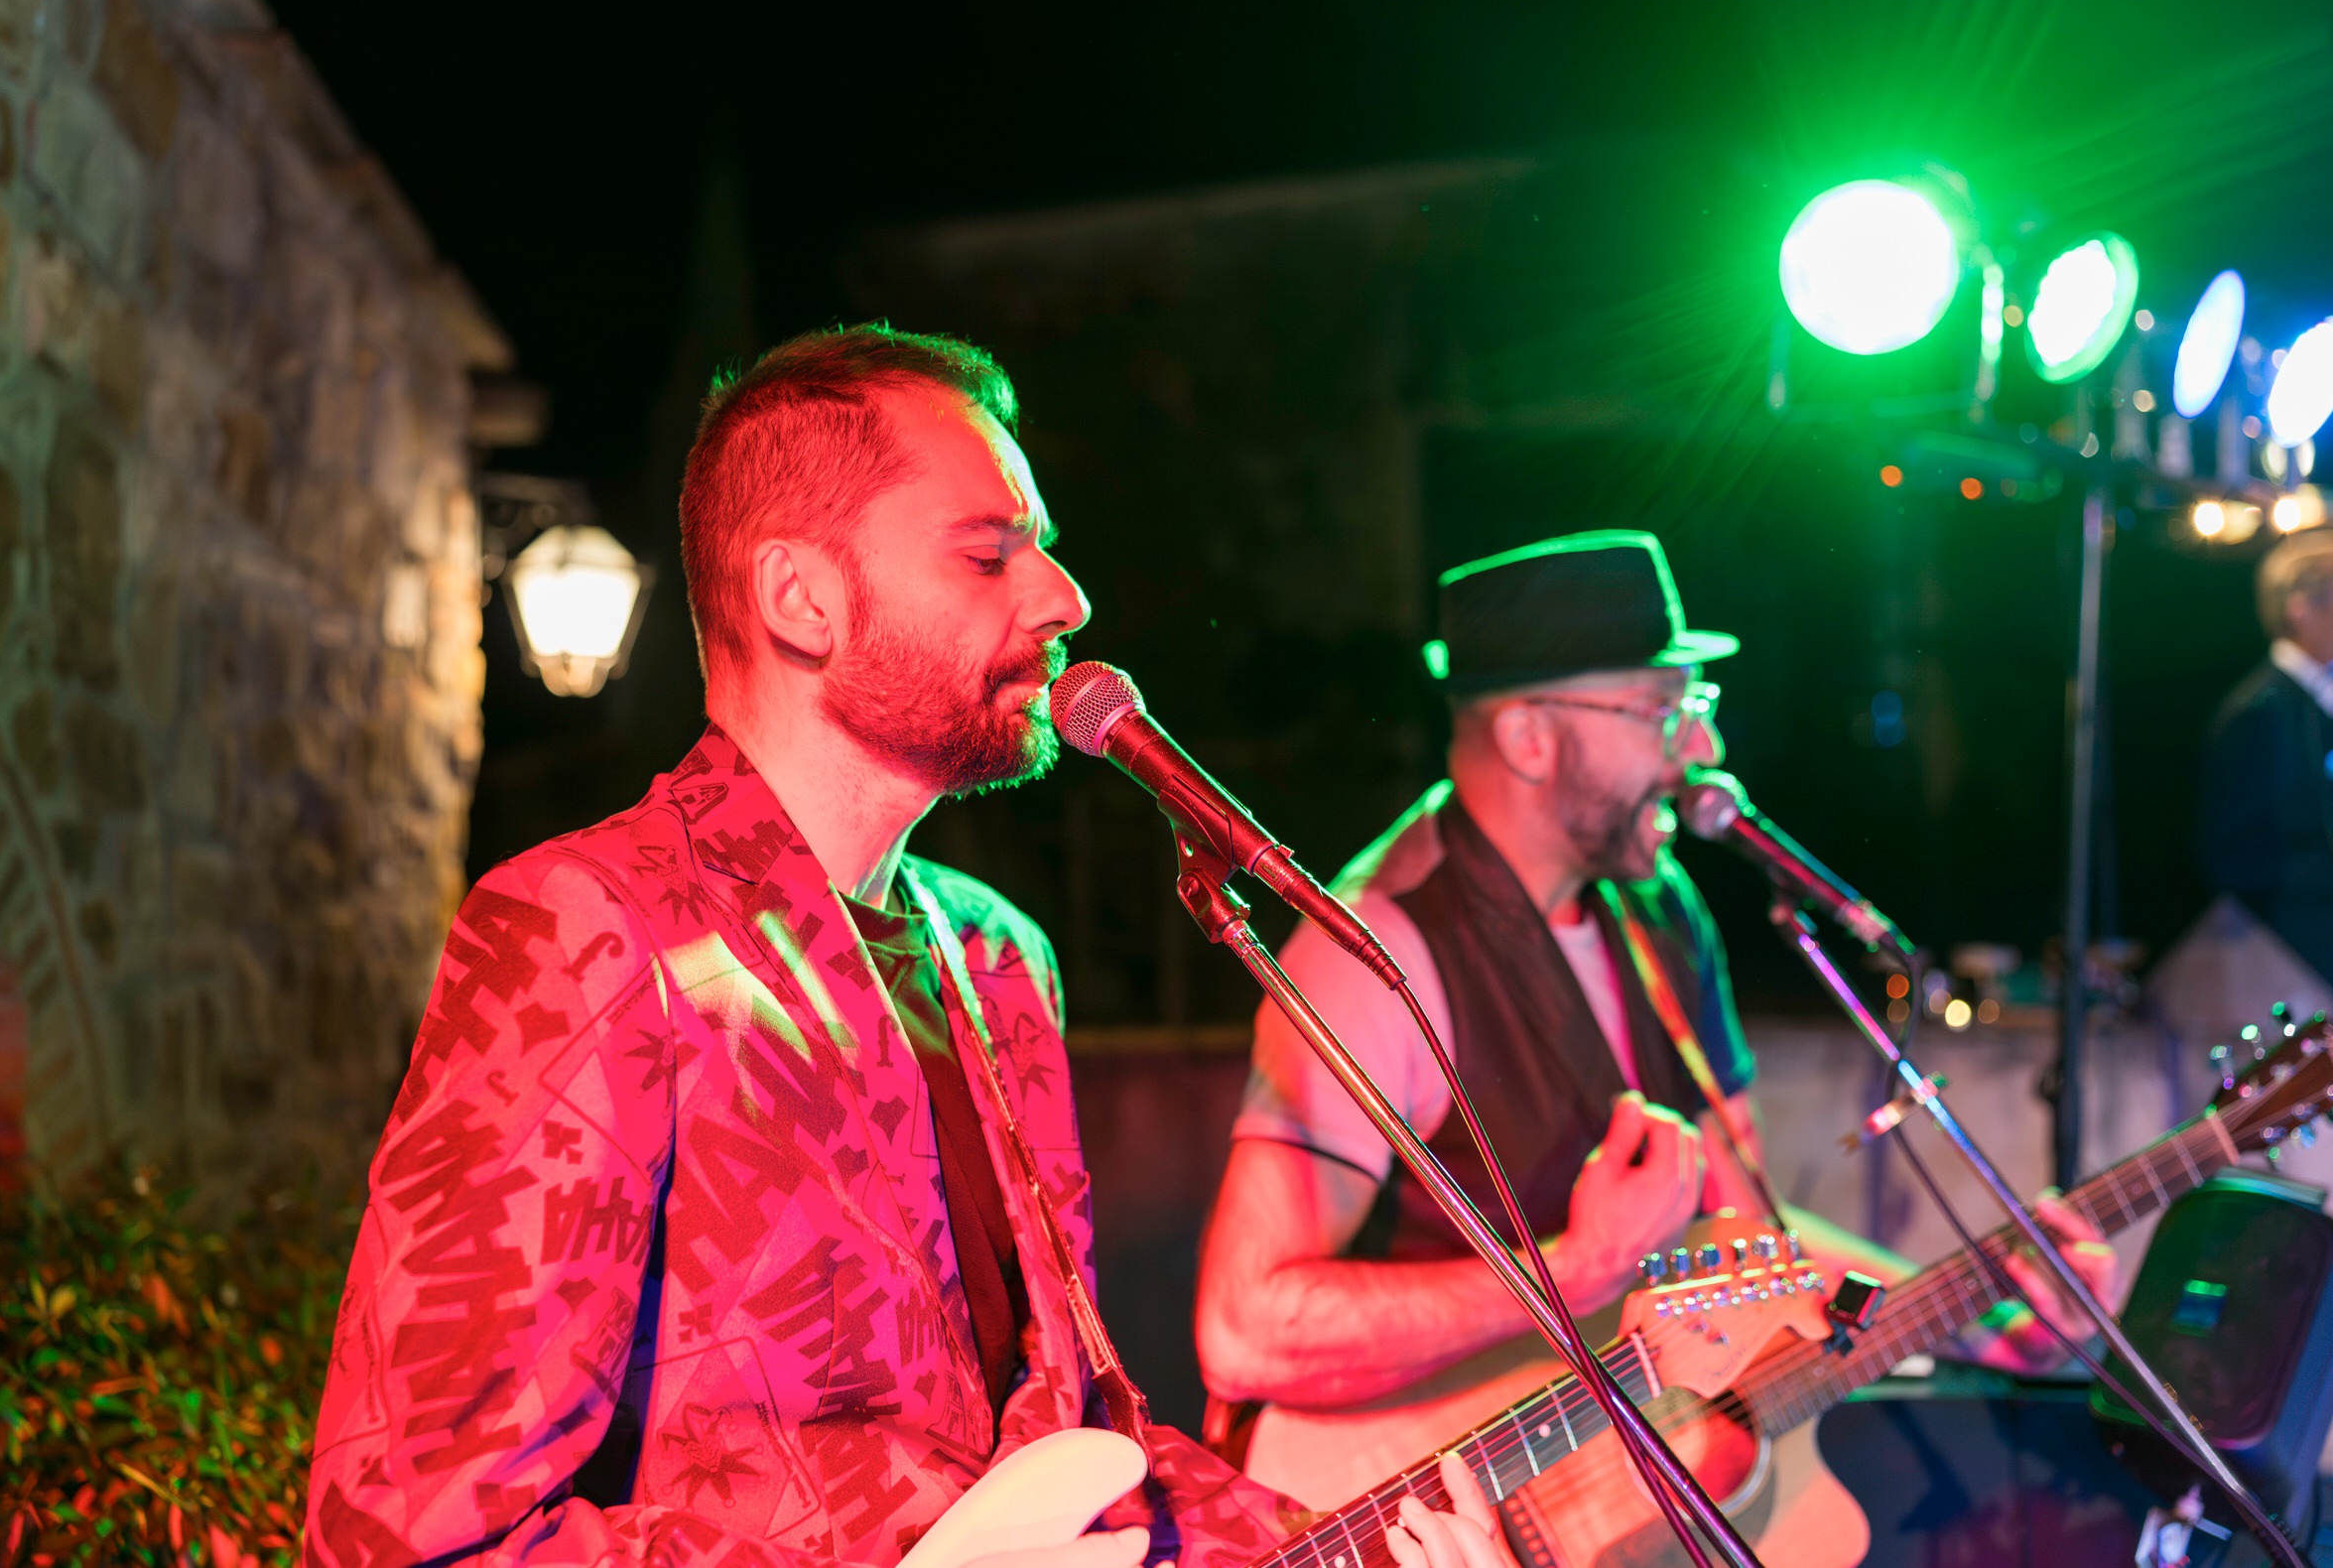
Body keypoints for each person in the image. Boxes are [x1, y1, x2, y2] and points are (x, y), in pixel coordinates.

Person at [302, 326, 1513, 1568]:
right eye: (988, 553)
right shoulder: (590, 926)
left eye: (1038, 545)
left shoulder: (997, 959)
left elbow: (1072, 1450)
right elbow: (407, 1536)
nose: (1065, 597)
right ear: (802, 600)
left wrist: (1353, 1548)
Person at [1193, 531, 2122, 1504]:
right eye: (1662, 710)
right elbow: (1244, 1329)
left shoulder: (1661, 909)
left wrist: (1977, 1315)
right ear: (1529, 738)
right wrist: (1577, 1269)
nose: (1706, 751)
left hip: (1608, 1491)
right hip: (1409, 1514)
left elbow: (1747, 1245)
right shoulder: (1376, 951)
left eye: (1697, 705)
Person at [2200, 528, 2333, 983]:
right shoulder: (2258, 712)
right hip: (2295, 964)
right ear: (2301, 608)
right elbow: (2236, 858)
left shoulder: (2317, 702)